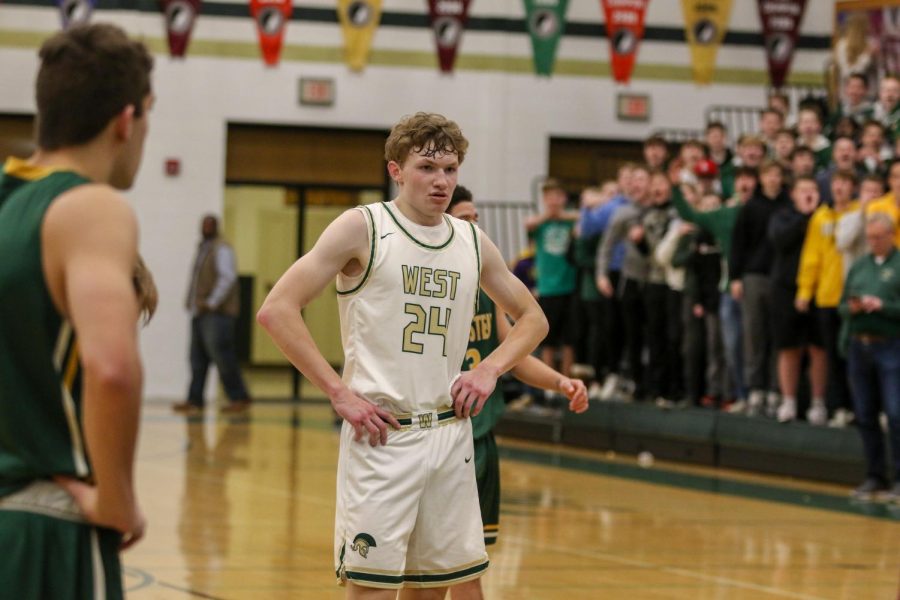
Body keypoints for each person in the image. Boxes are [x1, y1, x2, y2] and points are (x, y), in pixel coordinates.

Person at [257, 112, 548, 598]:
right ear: (396, 170)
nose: (441, 181)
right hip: (384, 439)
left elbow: (533, 319)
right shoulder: (363, 227)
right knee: (371, 589)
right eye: (427, 167)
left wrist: (491, 370)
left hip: (449, 436)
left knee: (441, 588)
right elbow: (277, 310)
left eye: (450, 169)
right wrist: (338, 392)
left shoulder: (471, 240)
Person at [0, 23, 154, 599]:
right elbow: (111, 366)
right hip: (48, 525)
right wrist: (116, 501)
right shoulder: (89, 206)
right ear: (126, 119)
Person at [445, 188, 587, 599]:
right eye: (465, 218)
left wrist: (560, 382)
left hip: (480, 440)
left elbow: (514, 355)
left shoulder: (488, 291)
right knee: (440, 571)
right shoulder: (430, 288)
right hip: (440, 438)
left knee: (467, 566)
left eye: (476, 218)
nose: (475, 227)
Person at [839, 213, 900, 502]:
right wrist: (853, 307)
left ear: (891, 235)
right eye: (870, 237)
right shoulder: (860, 265)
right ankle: (875, 475)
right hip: (858, 344)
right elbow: (841, 304)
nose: (873, 242)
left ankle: (899, 479)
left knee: (896, 413)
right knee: (864, 414)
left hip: (890, 344)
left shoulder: (898, 264)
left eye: (878, 237)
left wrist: (883, 306)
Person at [174, 215, 251, 415]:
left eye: (209, 225)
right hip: (200, 312)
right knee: (196, 359)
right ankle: (195, 399)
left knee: (223, 357)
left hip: (217, 315)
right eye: (203, 225)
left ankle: (239, 397)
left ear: (216, 227)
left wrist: (211, 303)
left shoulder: (222, 248)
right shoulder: (203, 247)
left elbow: (227, 278)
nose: (205, 228)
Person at [525, 179, 579, 380]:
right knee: (548, 338)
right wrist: (549, 214)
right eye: (549, 197)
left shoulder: (571, 220)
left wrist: (562, 215)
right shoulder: (540, 222)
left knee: (569, 338)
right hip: (548, 287)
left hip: (569, 285)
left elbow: (582, 218)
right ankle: (549, 381)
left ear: (564, 198)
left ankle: (566, 379)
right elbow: (528, 224)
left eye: (557, 196)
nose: (553, 201)